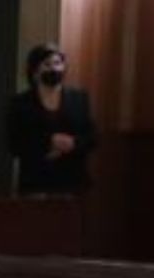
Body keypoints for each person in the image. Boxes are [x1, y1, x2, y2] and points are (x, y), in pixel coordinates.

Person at [8, 43, 97, 195]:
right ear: (35, 71)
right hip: (36, 183)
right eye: (47, 64)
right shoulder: (20, 103)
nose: (54, 68)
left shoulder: (79, 99)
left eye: (58, 63)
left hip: (73, 183)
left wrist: (73, 143)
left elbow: (93, 137)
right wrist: (49, 142)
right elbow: (13, 143)